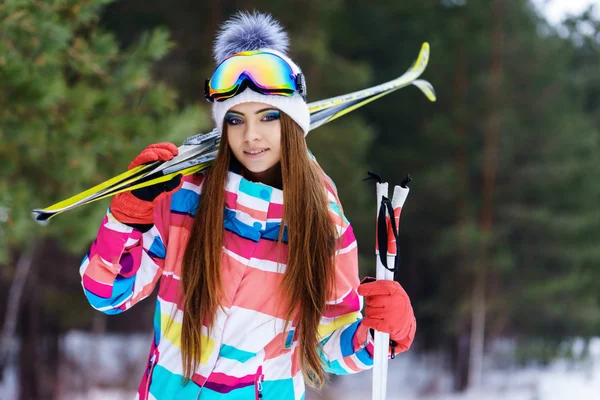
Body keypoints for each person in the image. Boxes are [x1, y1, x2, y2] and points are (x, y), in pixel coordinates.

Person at [79, 11, 416, 400]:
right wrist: (127, 218)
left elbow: (326, 347)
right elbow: (107, 295)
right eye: (236, 120)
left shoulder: (323, 222)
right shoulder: (187, 199)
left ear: (293, 123)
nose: (251, 136)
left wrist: (380, 334)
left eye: (268, 116)